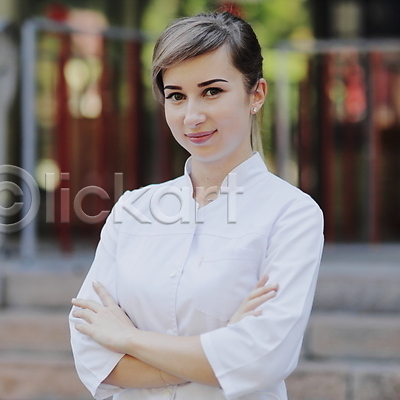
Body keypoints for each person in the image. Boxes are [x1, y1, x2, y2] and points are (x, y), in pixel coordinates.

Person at [69, 11, 324, 400]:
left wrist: (128, 338)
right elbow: (91, 353)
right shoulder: (133, 209)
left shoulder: (292, 215)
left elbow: (261, 360)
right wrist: (216, 351)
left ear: (256, 94)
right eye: (176, 96)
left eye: (212, 91)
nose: (192, 116)